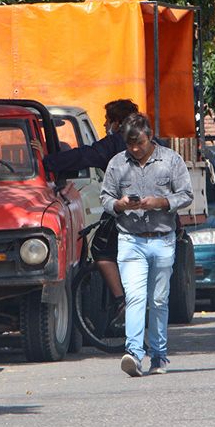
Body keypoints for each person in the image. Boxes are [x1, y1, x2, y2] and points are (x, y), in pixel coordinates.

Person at [100, 113, 193, 378]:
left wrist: (160, 202)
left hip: (163, 240)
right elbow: (105, 197)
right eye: (130, 144)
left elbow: (186, 194)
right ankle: (133, 353)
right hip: (130, 240)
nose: (134, 149)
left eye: (139, 143)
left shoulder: (171, 160)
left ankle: (159, 355)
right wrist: (119, 205)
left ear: (150, 137)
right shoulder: (117, 164)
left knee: (159, 299)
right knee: (135, 297)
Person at [42, 99, 142, 308]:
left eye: (107, 120)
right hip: (158, 215)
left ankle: (122, 302)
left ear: (117, 122)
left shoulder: (114, 143)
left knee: (101, 251)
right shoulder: (154, 142)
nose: (105, 125)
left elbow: (82, 156)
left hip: (127, 211)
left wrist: (46, 162)